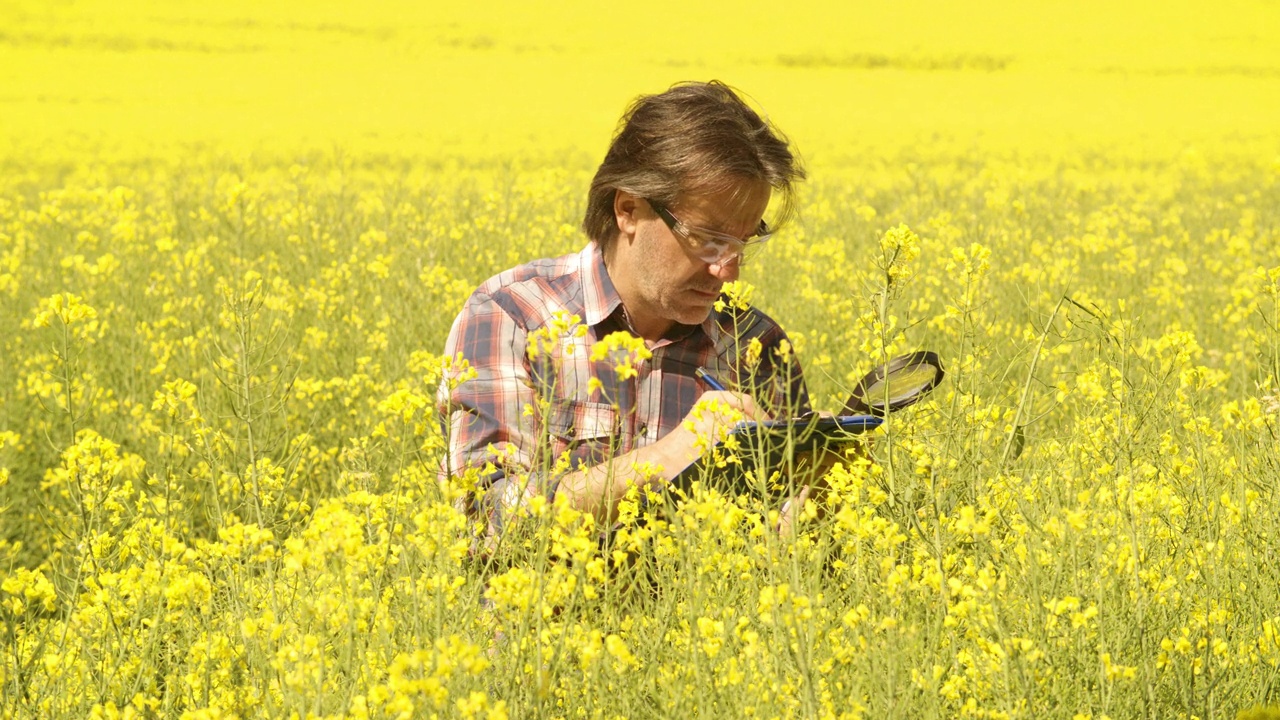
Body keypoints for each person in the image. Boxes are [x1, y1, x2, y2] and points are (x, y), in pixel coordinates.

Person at [438, 81, 817, 542]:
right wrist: (665, 459)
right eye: (708, 238)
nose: (728, 271)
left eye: (743, 241)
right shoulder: (513, 316)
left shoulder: (757, 347)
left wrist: (804, 532)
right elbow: (482, 520)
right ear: (629, 209)